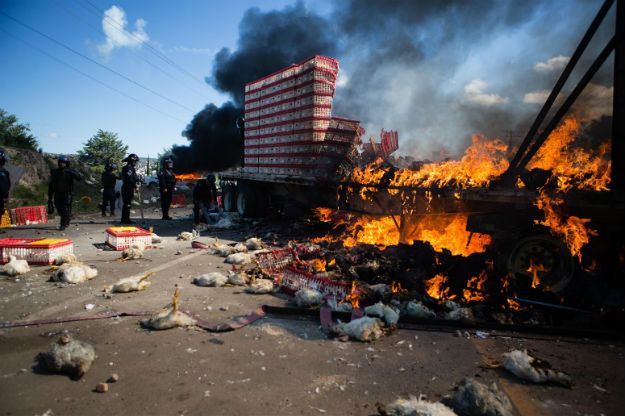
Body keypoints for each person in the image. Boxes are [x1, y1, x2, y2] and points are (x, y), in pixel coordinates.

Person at [48, 154, 82, 230]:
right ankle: (67, 219)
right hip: (57, 193)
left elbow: (79, 178)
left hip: (67, 194)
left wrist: (74, 172)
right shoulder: (54, 172)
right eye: (60, 162)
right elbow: (51, 185)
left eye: (63, 162)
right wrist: (50, 199)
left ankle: (63, 224)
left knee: (65, 209)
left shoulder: (70, 171)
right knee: (59, 209)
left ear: (66, 163)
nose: (61, 163)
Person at [120, 153, 140, 224]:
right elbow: (129, 179)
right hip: (127, 188)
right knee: (127, 204)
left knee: (128, 204)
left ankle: (126, 219)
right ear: (132, 161)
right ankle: (125, 220)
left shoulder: (131, 168)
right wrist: (135, 186)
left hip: (129, 188)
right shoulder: (128, 168)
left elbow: (134, 177)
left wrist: (138, 179)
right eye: (135, 161)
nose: (135, 163)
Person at [0, 149, 10, 218]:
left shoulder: (5, 172)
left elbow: (7, 185)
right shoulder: (5, 172)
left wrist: (6, 196)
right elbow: (7, 185)